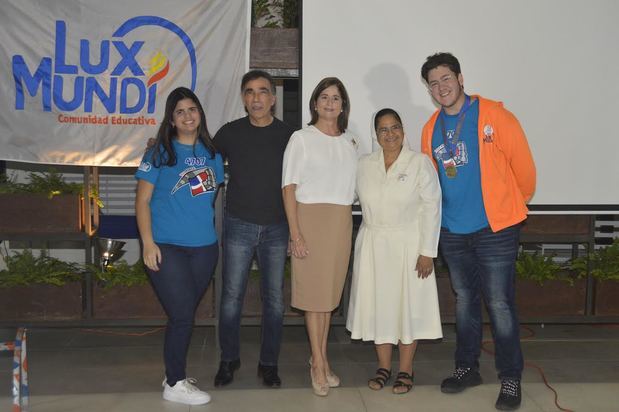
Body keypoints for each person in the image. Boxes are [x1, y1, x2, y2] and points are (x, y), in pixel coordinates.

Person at [420, 52, 536, 411]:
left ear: (460, 78)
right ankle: (467, 368)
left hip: (495, 230)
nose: (441, 87)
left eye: (446, 79)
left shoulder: (495, 116)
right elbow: (431, 181)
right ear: (429, 88)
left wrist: (507, 210)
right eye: (434, 83)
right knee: (465, 302)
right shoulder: (430, 128)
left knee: (500, 304)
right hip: (453, 231)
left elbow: (525, 171)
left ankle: (511, 378)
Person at [135, 87, 223, 405]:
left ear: (200, 113)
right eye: (180, 111)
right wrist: (147, 243)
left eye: (192, 109)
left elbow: (208, 197)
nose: (188, 115)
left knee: (182, 314)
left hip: (205, 249)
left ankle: (173, 371)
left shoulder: (213, 154)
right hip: (166, 247)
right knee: (184, 315)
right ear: (171, 120)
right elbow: (142, 201)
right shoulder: (159, 152)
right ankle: (174, 383)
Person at [346, 108, 443, 395]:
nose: (390, 134)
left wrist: (427, 251)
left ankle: (405, 369)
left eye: (395, 127)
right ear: (376, 135)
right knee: (378, 307)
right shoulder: (363, 164)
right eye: (383, 129)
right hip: (373, 245)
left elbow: (432, 207)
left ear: (403, 130)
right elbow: (345, 196)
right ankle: (383, 366)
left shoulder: (419, 163)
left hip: (409, 246)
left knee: (406, 308)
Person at [213, 70, 294, 388]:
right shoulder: (229, 133)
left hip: (277, 227)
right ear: (244, 99)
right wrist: (160, 145)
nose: (256, 97)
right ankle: (228, 359)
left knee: (274, 299)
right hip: (239, 224)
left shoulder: (290, 136)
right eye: (250, 92)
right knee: (231, 296)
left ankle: (269, 363)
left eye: (263, 91)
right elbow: (198, 158)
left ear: (273, 98)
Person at [282, 77, 358, 397]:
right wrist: (295, 232)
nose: (330, 103)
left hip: (340, 221)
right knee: (314, 299)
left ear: (343, 105)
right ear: (314, 103)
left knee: (327, 300)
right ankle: (318, 365)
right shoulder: (301, 138)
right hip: (310, 220)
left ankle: (321, 359)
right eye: (324, 97)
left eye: (336, 98)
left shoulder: (351, 142)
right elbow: (288, 187)